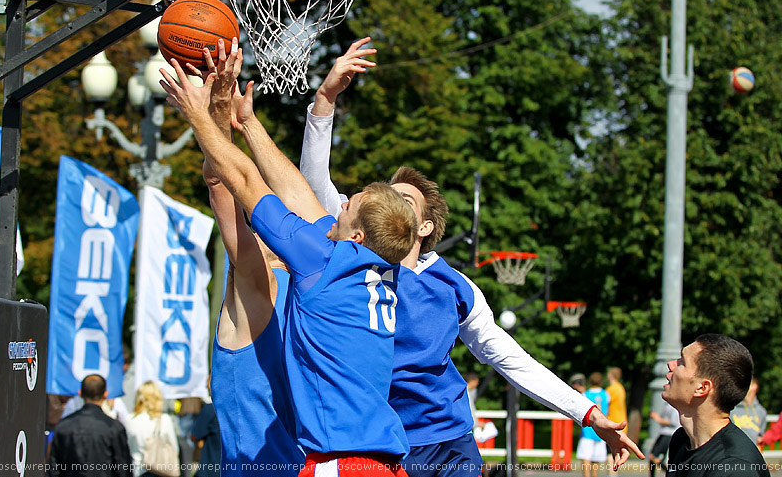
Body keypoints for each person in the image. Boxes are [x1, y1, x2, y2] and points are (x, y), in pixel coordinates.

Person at [298, 37, 644, 476]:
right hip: (388, 442)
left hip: (450, 440)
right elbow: (312, 184)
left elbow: (509, 357)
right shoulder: (351, 254)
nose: (389, 200)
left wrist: (586, 413)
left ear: (423, 228)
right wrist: (325, 99)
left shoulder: (455, 288)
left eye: (404, 199)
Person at [159, 40, 418, 475]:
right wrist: (246, 121)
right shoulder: (365, 268)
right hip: (384, 460)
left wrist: (201, 114)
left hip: (342, 464)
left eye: (349, 203)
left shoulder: (314, 265)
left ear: (356, 235)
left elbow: (234, 181)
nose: (338, 202)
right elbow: (299, 193)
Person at [201, 77, 304, 476]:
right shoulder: (320, 293)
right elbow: (222, 186)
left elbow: (221, 187)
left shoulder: (275, 290)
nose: (259, 229)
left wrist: (214, 109)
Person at [663, 334, 770, 477]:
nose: (671, 364)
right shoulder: (682, 440)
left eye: (682, 362)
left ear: (702, 388)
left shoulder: (733, 468)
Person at [48, 374, 132, 477]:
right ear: (105, 395)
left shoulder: (63, 426)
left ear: (80, 394)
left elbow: (53, 467)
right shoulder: (114, 428)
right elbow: (123, 468)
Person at [125, 380, 179, 476]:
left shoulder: (130, 419)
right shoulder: (164, 419)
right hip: (162, 470)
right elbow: (174, 448)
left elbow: (127, 446)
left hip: (138, 470)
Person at [577, 373, 610, 477]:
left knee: (586, 456)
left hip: (588, 430)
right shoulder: (606, 394)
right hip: (601, 431)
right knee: (596, 458)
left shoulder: (586, 394)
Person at [648, 398, 681, 477]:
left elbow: (674, 422)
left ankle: (670, 473)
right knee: (652, 457)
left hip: (668, 434)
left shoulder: (674, 406)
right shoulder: (666, 404)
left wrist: (658, 419)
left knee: (654, 457)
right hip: (663, 433)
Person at [730, 377, 767, 445]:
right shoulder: (731, 409)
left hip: (751, 452)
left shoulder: (761, 411)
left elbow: (760, 436)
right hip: (734, 451)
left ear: (755, 386)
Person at [605, 367, 628, 474]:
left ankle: (612, 474)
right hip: (621, 421)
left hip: (612, 422)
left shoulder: (611, 390)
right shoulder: (620, 388)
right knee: (616, 451)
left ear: (611, 375)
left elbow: (605, 405)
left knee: (611, 453)